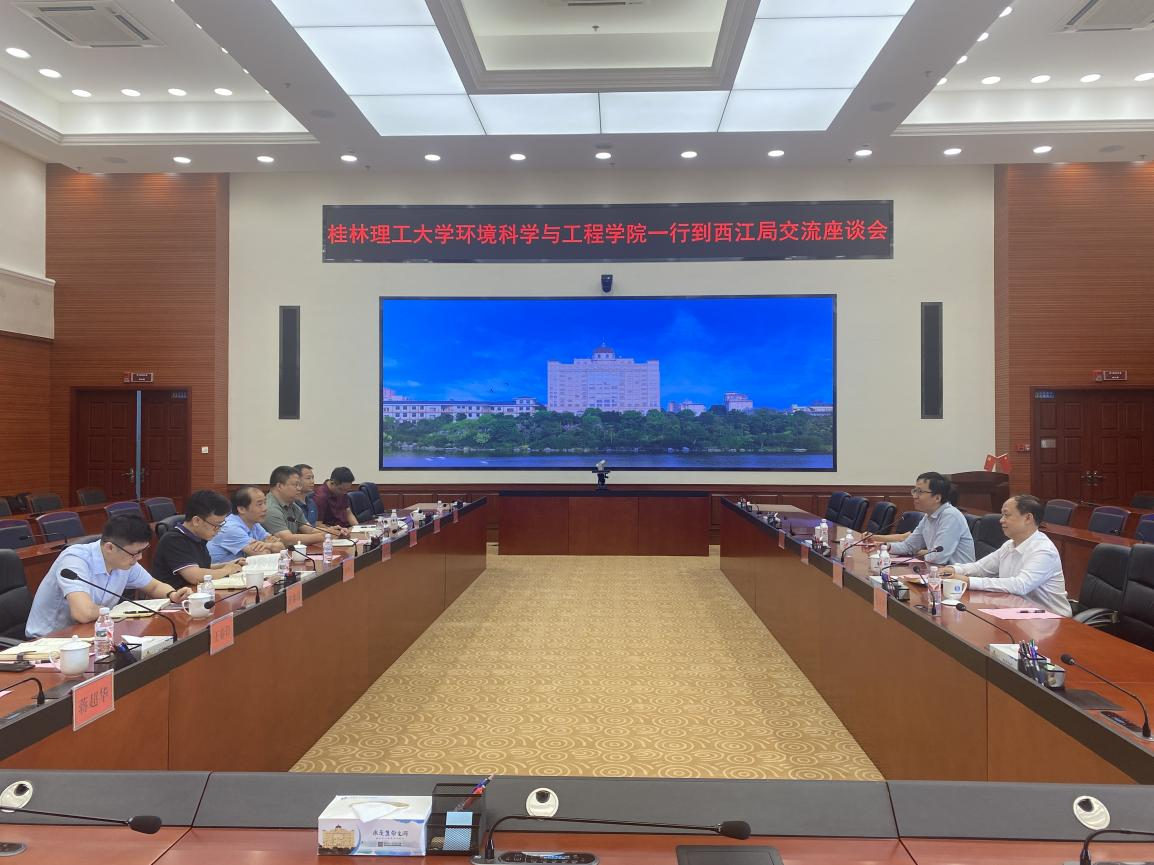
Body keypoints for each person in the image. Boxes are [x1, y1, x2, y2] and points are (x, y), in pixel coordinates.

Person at [25, 515, 193, 638]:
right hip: (49, 640)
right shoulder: (75, 560)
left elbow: (154, 586)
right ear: (109, 547)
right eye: (135, 553)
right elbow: (83, 613)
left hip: (91, 633)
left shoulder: (124, 559)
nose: (140, 558)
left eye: (143, 551)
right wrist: (120, 613)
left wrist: (173, 595)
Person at [941, 494, 1072, 617]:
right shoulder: (1009, 545)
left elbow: (1020, 585)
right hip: (1018, 611)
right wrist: (953, 570)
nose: (1001, 520)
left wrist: (967, 581)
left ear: (1028, 518)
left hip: (1051, 618)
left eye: (1006, 515)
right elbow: (980, 568)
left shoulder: (1043, 550)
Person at [152, 489, 246, 591]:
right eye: (216, 525)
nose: (218, 530)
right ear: (196, 521)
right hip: (176, 596)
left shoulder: (198, 537)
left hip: (195, 592)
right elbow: (194, 576)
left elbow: (201, 567)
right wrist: (226, 570)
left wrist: (226, 565)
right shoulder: (173, 540)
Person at [887, 471, 975, 565]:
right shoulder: (928, 516)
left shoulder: (951, 516)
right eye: (915, 491)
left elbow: (938, 558)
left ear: (937, 498)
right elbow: (909, 546)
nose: (914, 496)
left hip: (957, 572)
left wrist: (920, 558)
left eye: (920, 492)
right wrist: (885, 547)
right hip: (938, 570)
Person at [206, 486, 285, 562]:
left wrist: (268, 545)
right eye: (259, 504)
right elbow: (264, 555)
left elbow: (281, 547)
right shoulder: (231, 528)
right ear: (241, 509)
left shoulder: (254, 523)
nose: (265, 508)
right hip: (218, 570)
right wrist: (270, 545)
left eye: (265, 503)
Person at [262, 465, 333, 545]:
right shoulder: (270, 508)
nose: (299, 488)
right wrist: (324, 536)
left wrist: (332, 532)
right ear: (280, 486)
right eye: (295, 485)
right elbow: (287, 539)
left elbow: (310, 530)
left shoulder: (292, 505)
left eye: (299, 485)